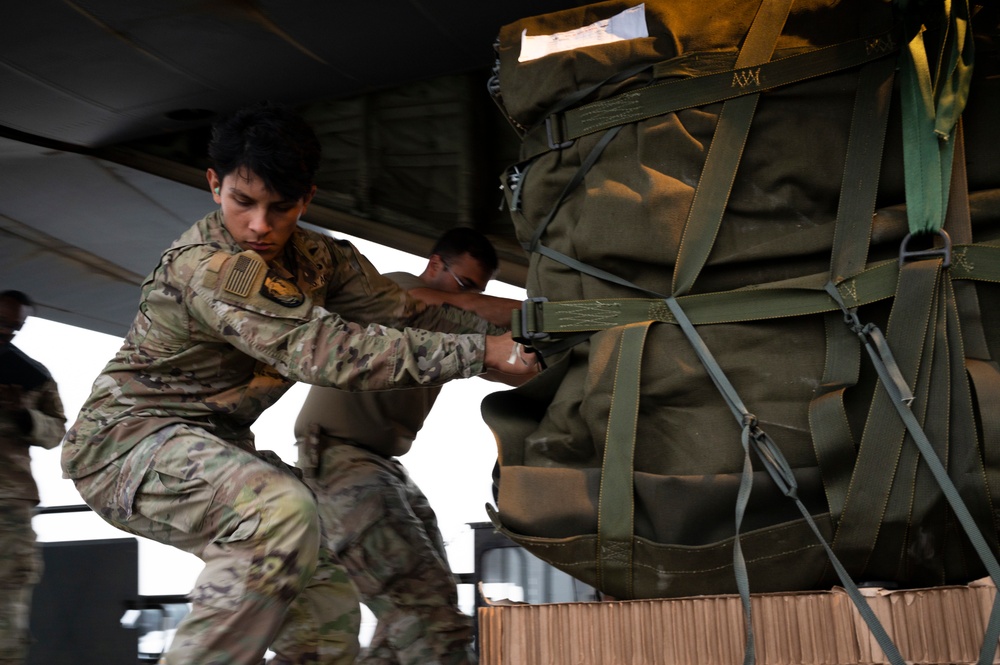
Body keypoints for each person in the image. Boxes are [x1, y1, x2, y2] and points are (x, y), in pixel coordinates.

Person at [59, 101, 538, 665]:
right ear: (215, 185)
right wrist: (481, 351)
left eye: (280, 207)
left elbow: (404, 314)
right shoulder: (209, 267)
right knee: (280, 513)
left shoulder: (319, 260)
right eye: (243, 202)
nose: (260, 225)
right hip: (126, 441)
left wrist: (527, 338)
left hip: (212, 441)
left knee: (320, 574)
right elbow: (323, 351)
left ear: (306, 199)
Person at [294, 228, 523, 665]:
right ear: (435, 264)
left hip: (379, 465)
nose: (471, 295)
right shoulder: (396, 292)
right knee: (425, 612)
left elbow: (504, 362)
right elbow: (472, 311)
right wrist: (553, 315)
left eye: (478, 288)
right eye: (466, 282)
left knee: (416, 612)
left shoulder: (445, 329)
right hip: (340, 459)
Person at [0, 290, 67, 665]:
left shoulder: (34, 376)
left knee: (6, 609)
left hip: (7, 505)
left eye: (14, 326)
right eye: (1, 322)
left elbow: (57, 432)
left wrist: (23, 415)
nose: (6, 331)